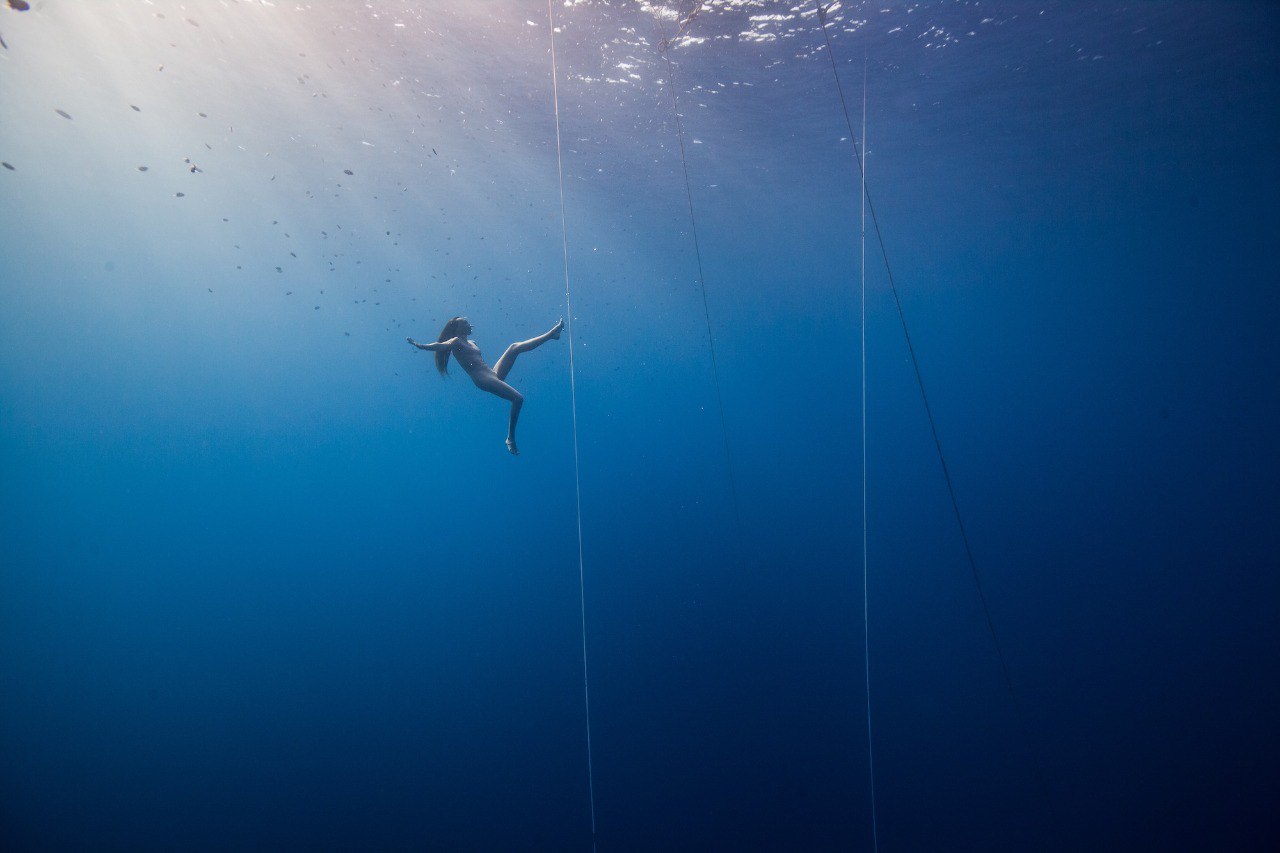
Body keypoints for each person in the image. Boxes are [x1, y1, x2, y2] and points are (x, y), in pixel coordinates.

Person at [408, 316, 563, 455]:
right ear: (457, 328)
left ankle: (552, 335)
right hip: (483, 379)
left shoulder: (472, 342)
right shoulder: (455, 342)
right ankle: (510, 438)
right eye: (465, 323)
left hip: (492, 374)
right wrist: (421, 346)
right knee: (518, 399)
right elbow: (440, 345)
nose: (470, 325)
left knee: (514, 347)